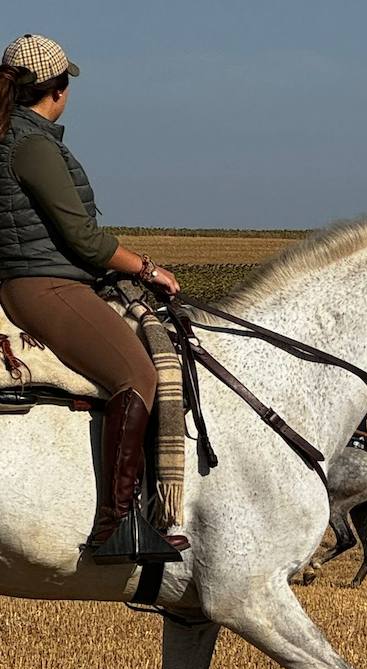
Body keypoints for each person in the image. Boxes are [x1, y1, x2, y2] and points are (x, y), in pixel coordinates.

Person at [0, 34, 187, 559]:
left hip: (34, 277)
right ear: (58, 89)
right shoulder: (32, 145)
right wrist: (148, 268)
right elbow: (83, 237)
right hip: (47, 284)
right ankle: (119, 524)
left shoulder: (13, 135)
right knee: (138, 375)